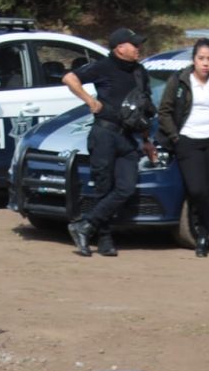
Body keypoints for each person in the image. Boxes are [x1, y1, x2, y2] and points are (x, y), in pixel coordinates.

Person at [62, 27, 156, 259]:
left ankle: (85, 226)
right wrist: (90, 102)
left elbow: (142, 108)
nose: (138, 48)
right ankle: (104, 240)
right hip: (104, 135)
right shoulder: (103, 66)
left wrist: (147, 141)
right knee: (103, 188)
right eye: (134, 45)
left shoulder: (140, 72)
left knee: (125, 187)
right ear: (119, 48)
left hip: (128, 137)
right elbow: (70, 78)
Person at [158, 39, 209, 259]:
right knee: (196, 190)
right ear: (193, 60)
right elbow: (164, 111)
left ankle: (203, 238)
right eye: (201, 58)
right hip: (187, 140)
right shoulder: (179, 80)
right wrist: (175, 136)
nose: (205, 63)